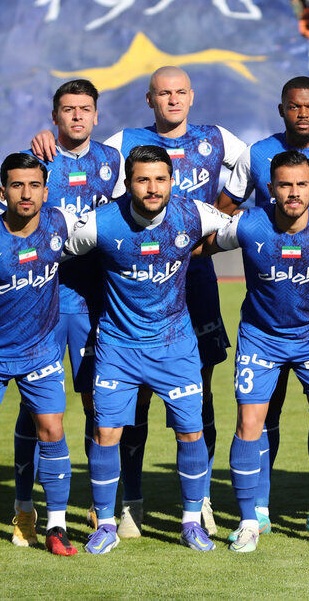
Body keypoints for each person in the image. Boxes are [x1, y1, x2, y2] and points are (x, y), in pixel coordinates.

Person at [32, 67, 309, 538]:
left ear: (191, 97)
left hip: (194, 282)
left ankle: (199, 505)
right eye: (163, 93)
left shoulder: (216, 138)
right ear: (150, 99)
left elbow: (268, 158)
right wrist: (49, 138)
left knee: (199, 393)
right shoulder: (125, 142)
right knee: (131, 400)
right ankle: (130, 501)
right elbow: (84, 148)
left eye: (180, 92)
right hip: (134, 285)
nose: (173, 100)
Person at [63, 145, 231, 554]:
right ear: (128, 183)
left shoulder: (195, 213)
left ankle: (191, 522)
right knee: (106, 432)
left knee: (190, 431)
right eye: (142, 179)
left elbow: (241, 229)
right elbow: (52, 250)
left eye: (160, 179)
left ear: (172, 181)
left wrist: (201, 248)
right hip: (118, 347)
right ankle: (105, 524)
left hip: (176, 346)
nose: (152, 188)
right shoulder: (100, 223)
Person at [204, 150, 309, 552]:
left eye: (301, 184)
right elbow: (200, 246)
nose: (294, 192)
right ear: (270, 188)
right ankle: (249, 522)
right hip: (261, 337)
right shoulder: (247, 224)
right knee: (249, 424)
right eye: (285, 185)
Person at [0, 79, 122, 547]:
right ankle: (24, 506)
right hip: (38, 302)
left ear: (96, 115)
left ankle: (94, 505)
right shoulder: (35, 160)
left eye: (85, 109)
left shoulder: (112, 161)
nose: (77, 116)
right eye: (68, 109)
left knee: (94, 403)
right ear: (55, 116)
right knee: (34, 406)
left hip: (95, 301)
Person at [216, 76, 309, 536]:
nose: (303, 114)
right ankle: (256, 511)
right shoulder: (257, 155)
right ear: (282, 109)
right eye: (294, 106)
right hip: (267, 303)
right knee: (262, 413)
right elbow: (222, 209)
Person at [0, 152, 79, 559]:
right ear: (3, 191)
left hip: (40, 353)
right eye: (17, 185)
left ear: (45, 191)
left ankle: (56, 526)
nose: (26, 194)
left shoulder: (61, 224)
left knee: (52, 430)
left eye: (34, 185)